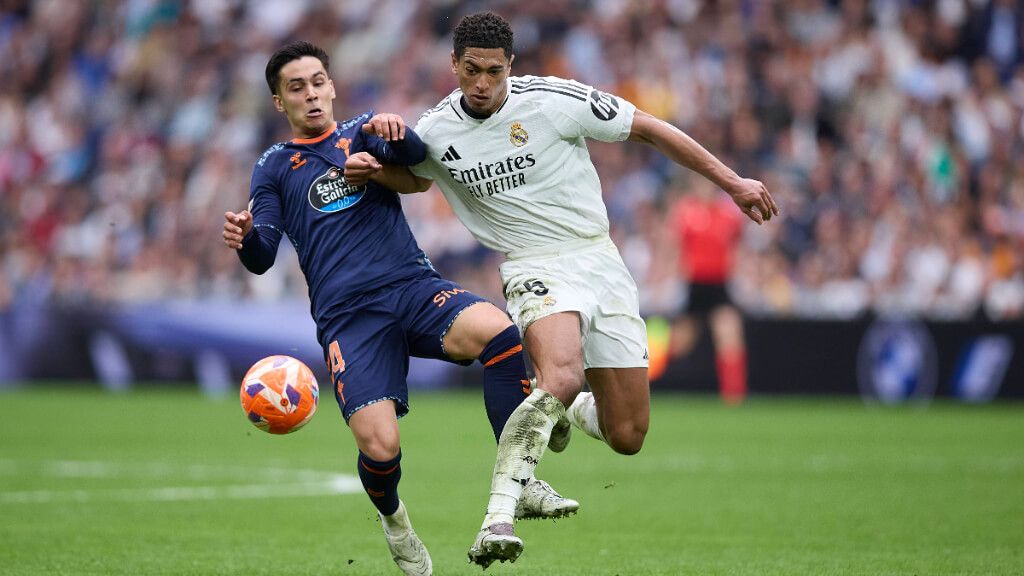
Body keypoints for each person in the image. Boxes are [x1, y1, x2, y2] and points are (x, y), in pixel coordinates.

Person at [398, 11, 778, 567]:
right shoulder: (432, 132)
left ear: (512, 67)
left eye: (494, 72)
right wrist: (360, 162)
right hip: (532, 264)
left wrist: (733, 183)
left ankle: (567, 407)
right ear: (453, 65)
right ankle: (498, 515)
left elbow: (648, 127)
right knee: (563, 373)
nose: (482, 84)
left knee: (627, 434)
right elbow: (407, 176)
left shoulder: (554, 100)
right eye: (472, 71)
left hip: (600, 259)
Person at [221, 41, 576, 576]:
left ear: (332, 86)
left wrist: (395, 128)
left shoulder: (363, 129)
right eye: (297, 87)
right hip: (350, 320)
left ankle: (521, 482)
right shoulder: (273, 167)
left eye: (318, 81)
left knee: (500, 333)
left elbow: (415, 159)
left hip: (411, 288)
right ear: (280, 102)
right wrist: (246, 236)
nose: (311, 94)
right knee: (381, 448)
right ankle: (396, 523)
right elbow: (262, 257)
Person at [669, 179, 748, 404]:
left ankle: (734, 396)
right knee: (680, 343)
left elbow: (737, 247)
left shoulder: (729, 214)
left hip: (719, 285)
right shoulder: (685, 211)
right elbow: (677, 249)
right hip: (695, 285)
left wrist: (741, 276)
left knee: (730, 336)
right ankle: (649, 382)